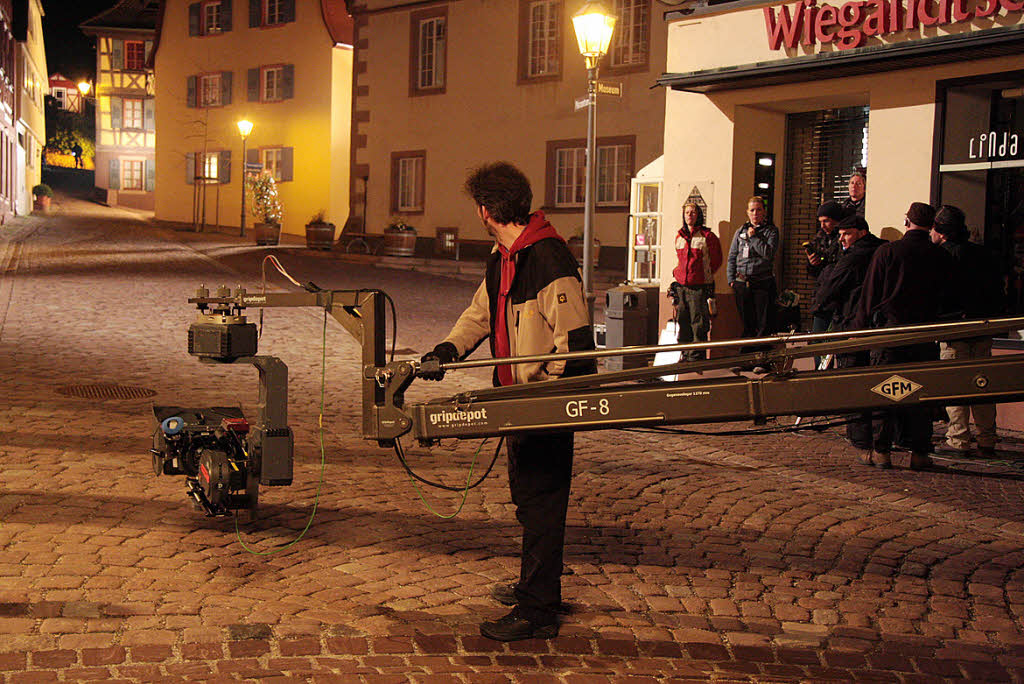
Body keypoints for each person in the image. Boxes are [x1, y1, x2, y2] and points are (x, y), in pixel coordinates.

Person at [419, 161, 596, 642]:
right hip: (516, 402)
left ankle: (538, 611)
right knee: (527, 496)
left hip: (542, 403)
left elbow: (576, 345)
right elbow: (479, 314)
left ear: (485, 210)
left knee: (542, 501)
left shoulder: (546, 257)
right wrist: (445, 352)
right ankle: (535, 586)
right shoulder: (505, 257)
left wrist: (545, 393)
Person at [854, 201, 958, 470]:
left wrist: (858, 330)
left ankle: (882, 452)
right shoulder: (941, 257)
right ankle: (920, 453)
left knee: (886, 393)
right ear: (931, 225)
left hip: (890, 335)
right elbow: (949, 299)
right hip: (924, 337)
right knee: (921, 397)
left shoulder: (888, 252)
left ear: (906, 221)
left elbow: (869, 296)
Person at [929, 205, 1006, 458]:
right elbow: (997, 291)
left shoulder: (942, 257)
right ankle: (987, 438)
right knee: (983, 386)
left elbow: (939, 295)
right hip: (982, 327)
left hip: (954, 330)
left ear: (941, 231)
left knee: (956, 387)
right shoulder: (984, 255)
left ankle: (958, 439)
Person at [813, 214, 885, 448]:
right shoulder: (883, 250)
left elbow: (831, 287)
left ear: (861, 232)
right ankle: (882, 434)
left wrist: (819, 306)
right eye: (840, 235)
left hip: (853, 322)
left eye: (847, 234)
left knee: (853, 381)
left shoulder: (854, 257)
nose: (842, 239)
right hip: (878, 325)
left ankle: (860, 439)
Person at [727, 196, 779, 370]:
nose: (755, 213)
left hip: (762, 283)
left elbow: (768, 253)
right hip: (742, 283)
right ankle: (746, 361)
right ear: (747, 212)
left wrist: (755, 238)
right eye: (752, 210)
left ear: (764, 212)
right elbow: (732, 256)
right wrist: (731, 280)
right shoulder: (740, 231)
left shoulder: (771, 231)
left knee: (763, 325)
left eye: (758, 210)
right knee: (747, 324)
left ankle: (762, 362)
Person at [668, 202, 722, 362]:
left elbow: (716, 261)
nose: (689, 215)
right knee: (683, 322)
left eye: (693, 212)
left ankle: (696, 356)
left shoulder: (708, 237)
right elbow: (680, 260)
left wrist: (702, 276)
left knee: (698, 323)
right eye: (687, 213)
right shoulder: (680, 236)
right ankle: (684, 354)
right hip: (682, 287)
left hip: (699, 288)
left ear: (698, 215)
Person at [806, 200, 849, 367]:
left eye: (826, 221)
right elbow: (812, 272)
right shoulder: (820, 238)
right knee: (818, 342)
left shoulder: (844, 238)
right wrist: (812, 263)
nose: (823, 225)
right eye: (820, 222)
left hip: (840, 299)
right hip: (822, 297)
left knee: (836, 343)